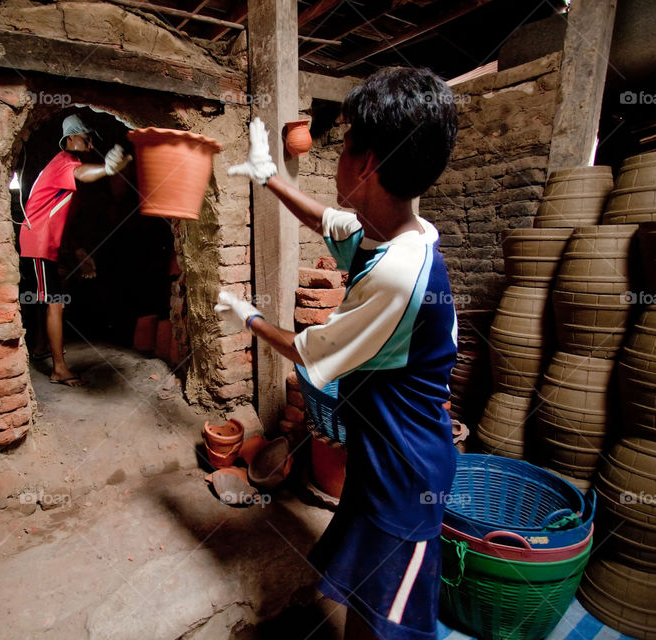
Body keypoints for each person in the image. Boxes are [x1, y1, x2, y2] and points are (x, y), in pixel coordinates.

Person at [216, 67, 459, 640]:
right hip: (378, 459)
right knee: (362, 599)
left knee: (388, 623)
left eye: (345, 146)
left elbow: (306, 351)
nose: (338, 158)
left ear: (366, 163)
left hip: (405, 473)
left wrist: (247, 316)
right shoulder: (397, 230)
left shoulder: (400, 274)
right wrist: (269, 178)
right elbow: (327, 219)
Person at [20, 114, 131, 385]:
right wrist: (106, 170)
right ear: (70, 139)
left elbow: (62, 221)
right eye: (86, 138)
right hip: (38, 242)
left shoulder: (62, 168)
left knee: (47, 297)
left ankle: (41, 346)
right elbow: (82, 173)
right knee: (55, 303)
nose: (90, 145)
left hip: (43, 241)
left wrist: (79, 252)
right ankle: (59, 369)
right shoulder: (65, 162)